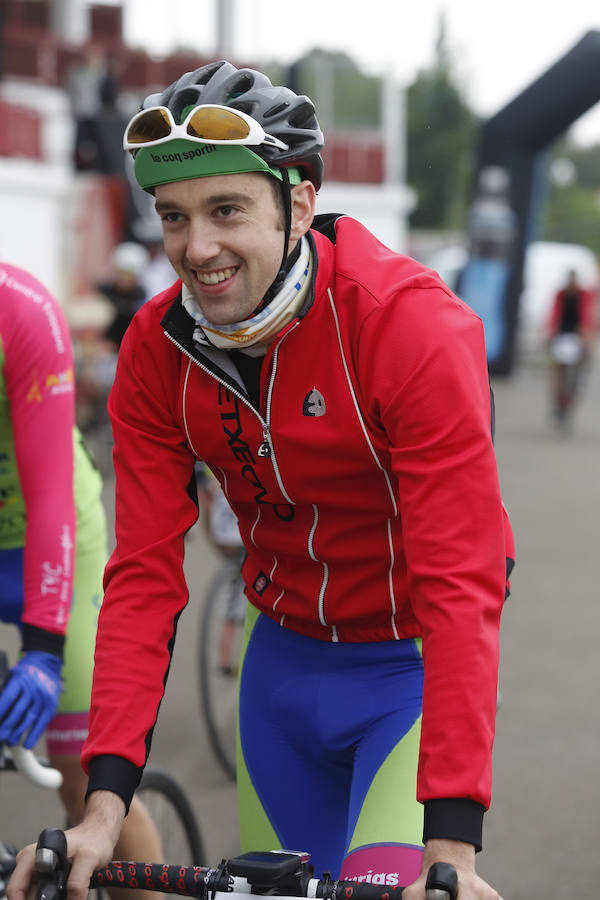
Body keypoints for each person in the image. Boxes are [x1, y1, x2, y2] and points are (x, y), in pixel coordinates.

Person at [9, 61, 515, 900]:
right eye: (174, 217)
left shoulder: (411, 327)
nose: (196, 247)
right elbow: (142, 577)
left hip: (406, 672)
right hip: (278, 672)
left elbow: (463, 581)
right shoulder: (153, 350)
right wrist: (102, 807)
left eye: (227, 210)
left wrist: (453, 843)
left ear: (301, 204)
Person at [0, 263, 162, 898]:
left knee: (82, 782)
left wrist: (42, 651)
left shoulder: (21, 311)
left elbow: (49, 497)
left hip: (52, 544)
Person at [546, 268, 596, 426]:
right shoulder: (561, 295)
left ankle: (571, 396)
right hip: (562, 335)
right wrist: (551, 333)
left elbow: (587, 317)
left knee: (578, 369)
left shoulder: (583, 295)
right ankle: (558, 397)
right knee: (558, 370)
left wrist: (586, 336)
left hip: (577, 336)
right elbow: (554, 315)